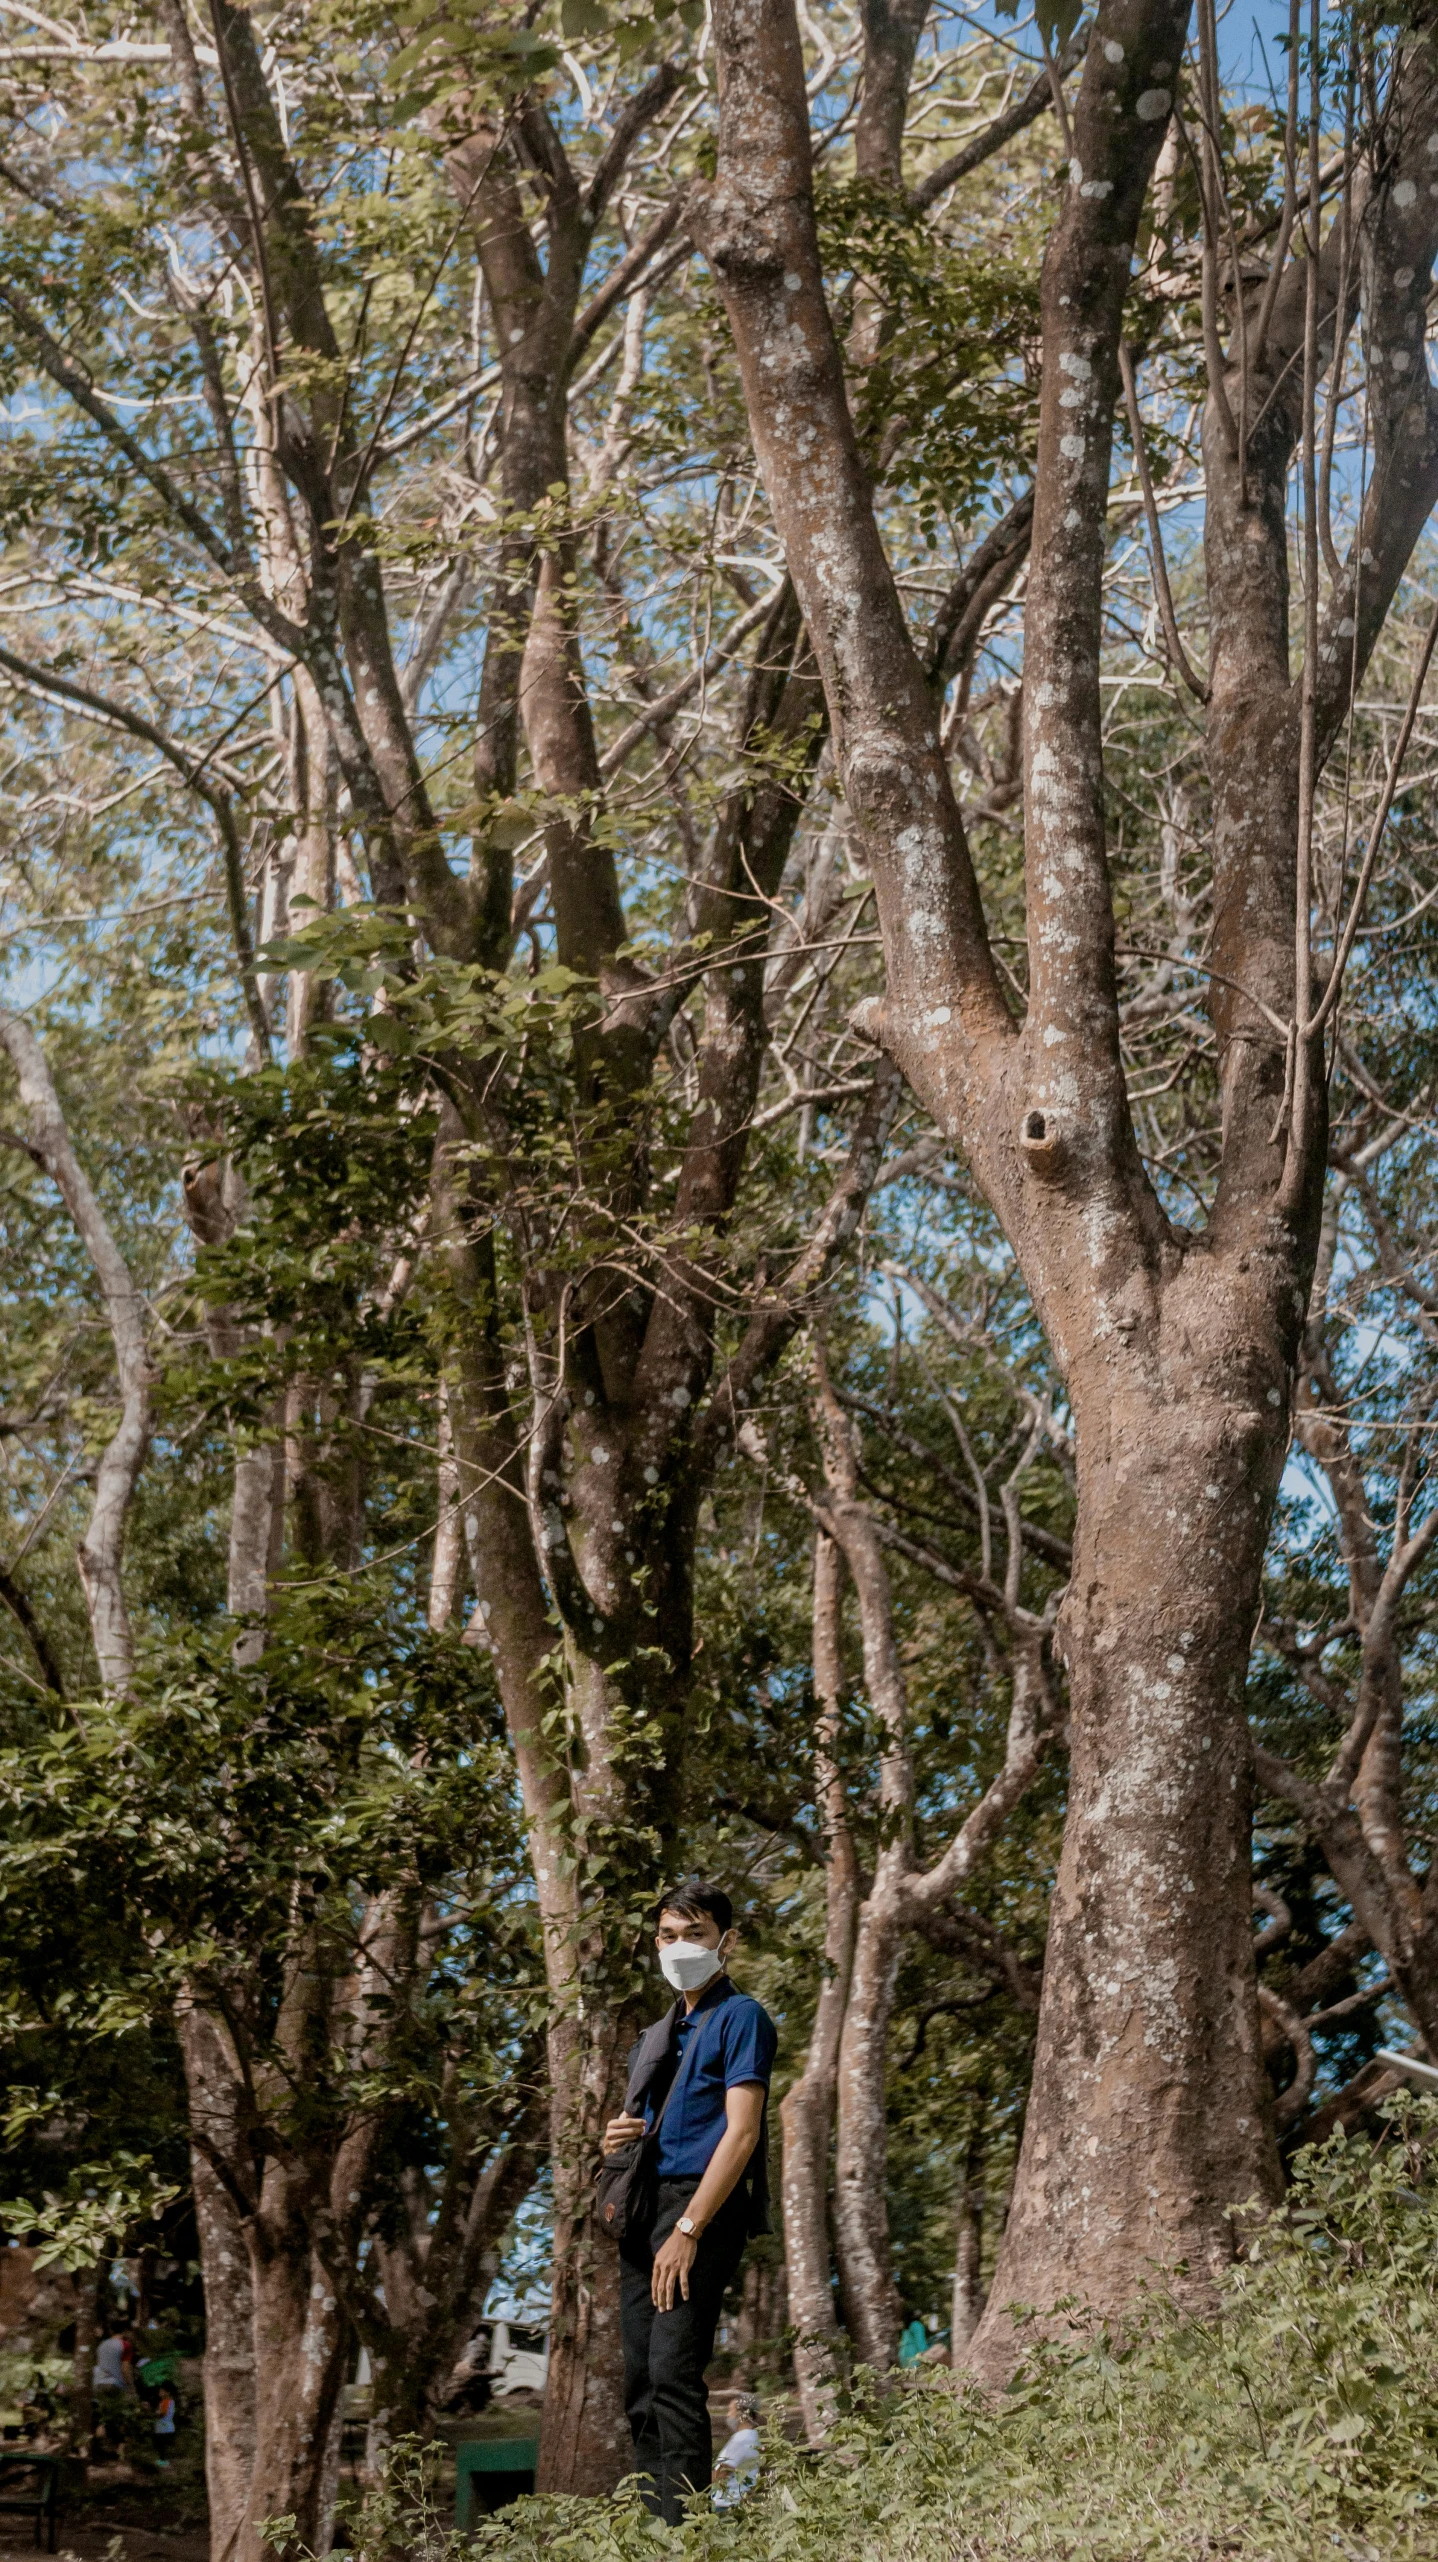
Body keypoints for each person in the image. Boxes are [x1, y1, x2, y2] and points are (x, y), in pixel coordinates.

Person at [603, 1878, 777, 2524]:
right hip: (644, 2210)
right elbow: (645, 2131)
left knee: (675, 2373)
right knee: (640, 2384)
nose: (681, 1947)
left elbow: (742, 2131)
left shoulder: (742, 2018)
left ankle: (689, 2538)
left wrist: (690, 2227)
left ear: (724, 1943)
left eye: (695, 1934)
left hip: (699, 2207)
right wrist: (617, 2135)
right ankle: (657, 2526)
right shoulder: (653, 2037)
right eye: (669, 1937)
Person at [712, 2391, 762, 2509]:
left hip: (726, 2503)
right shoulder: (752, 2436)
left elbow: (722, 2473)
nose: (728, 2415)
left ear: (741, 2414)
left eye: (731, 2411)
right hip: (739, 2500)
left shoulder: (741, 2440)